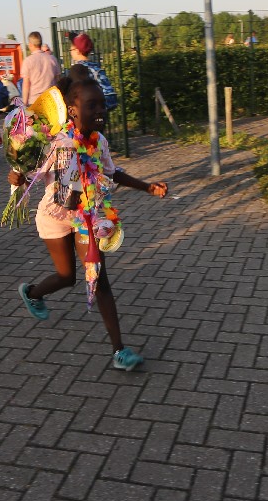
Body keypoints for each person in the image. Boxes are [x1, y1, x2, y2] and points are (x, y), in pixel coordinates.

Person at [10, 78, 169, 371]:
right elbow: (31, 173)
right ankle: (32, 293)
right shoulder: (57, 142)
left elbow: (113, 172)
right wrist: (18, 177)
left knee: (99, 279)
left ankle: (119, 350)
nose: (100, 110)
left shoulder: (100, 141)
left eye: (102, 104)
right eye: (91, 105)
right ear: (72, 110)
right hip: (53, 217)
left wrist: (147, 187)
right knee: (66, 276)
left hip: (86, 217)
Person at [20, 31, 60, 107]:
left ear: (30, 44)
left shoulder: (27, 61)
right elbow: (58, 80)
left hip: (34, 101)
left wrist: (24, 103)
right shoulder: (52, 59)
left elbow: (26, 84)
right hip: (51, 100)